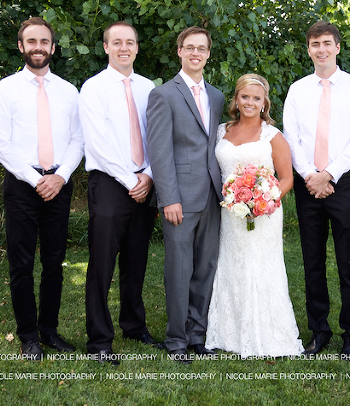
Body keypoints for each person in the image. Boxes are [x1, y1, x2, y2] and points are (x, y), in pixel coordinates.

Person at [0, 16, 84, 360]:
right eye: (32, 42)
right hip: (22, 186)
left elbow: (78, 140)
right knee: (22, 264)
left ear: (53, 47)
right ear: (21, 47)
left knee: (55, 263)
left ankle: (49, 330)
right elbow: (0, 143)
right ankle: (28, 335)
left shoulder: (68, 91)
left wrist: (59, 177)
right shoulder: (5, 89)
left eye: (44, 42)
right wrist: (35, 179)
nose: (38, 47)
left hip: (59, 184)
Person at [282, 21, 350, 359]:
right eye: (315, 43)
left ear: (337, 47)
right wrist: (310, 175)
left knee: (349, 260)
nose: (321, 49)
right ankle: (319, 331)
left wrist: (329, 174)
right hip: (309, 183)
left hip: (343, 180)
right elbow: (292, 138)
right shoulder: (298, 89)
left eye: (327, 43)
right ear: (309, 49)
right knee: (312, 260)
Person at [79, 22, 161, 366]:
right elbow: (98, 143)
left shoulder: (149, 88)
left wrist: (149, 176)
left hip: (146, 180)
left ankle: (133, 324)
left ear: (137, 48)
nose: (124, 47)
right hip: (111, 182)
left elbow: (158, 136)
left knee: (136, 258)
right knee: (102, 262)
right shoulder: (93, 88)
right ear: (106, 47)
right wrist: (131, 180)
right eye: (117, 42)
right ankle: (99, 339)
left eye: (130, 42)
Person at [205, 74, 304, 358]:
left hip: (264, 215)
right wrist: (237, 201)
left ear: (264, 103)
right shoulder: (221, 131)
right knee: (231, 265)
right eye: (244, 96)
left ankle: (270, 334)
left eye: (256, 98)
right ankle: (228, 333)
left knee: (262, 267)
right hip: (229, 214)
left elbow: (286, 179)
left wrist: (264, 201)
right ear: (236, 99)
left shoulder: (272, 135)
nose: (249, 102)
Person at [146, 26, 224, 363]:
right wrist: (168, 198)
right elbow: (159, 151)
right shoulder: (163, 94)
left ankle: (197, 336)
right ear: (179, 51)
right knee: (179, 268)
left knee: (205, 267)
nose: (196, 53)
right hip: (180, 198)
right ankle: (176, 341)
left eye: (202, 48)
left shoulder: (218, 96)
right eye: (189, 47)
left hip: (213, 196)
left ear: (208, 53)